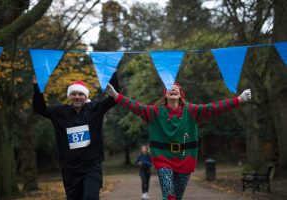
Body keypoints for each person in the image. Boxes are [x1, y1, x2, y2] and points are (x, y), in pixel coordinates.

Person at [106, 82, 251, 200]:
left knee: (177, 196)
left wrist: (239, 99)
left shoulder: (192, 111)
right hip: (163, 159)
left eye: (176, 88)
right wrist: (115, 95)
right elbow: (135, 106)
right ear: (165, 95)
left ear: (181, 95)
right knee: (169, 193)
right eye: (170, 88)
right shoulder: (155, 112)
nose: (173, 89)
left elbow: (214, 108)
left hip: (185, 159)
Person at [32, 72, 119, 200]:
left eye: (80, 94)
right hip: (70, 169)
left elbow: (113, 99)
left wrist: (112, 71)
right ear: (69, 96)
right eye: (74, 94)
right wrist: (37, 86)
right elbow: (39, 109)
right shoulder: (60, 113)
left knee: (90, 197)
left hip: (91, 166)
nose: (77, 97)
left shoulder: (95, 108)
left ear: (86, 96)